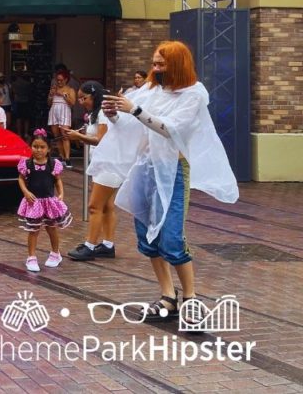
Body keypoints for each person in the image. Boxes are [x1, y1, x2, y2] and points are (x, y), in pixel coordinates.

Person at [96, 41, 239, 322]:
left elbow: (171, 129)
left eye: (161, 64)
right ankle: (167, 296)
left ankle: (191, 298)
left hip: (173, 168)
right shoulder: (151, 91)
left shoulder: (194, 95)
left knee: (172, 238)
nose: (156, 69)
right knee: (147, 237)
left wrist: (134, 109)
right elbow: (133, 127)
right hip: (145, 168)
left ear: (177, 64)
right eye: (154, 63)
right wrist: (115, 116)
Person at [62, 81, 120, 260]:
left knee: (94, 206)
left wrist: (78, 136)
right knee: (107, 206)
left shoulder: (103, 112)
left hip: (108, 165)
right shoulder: (98, 113)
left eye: (83, 98)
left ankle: (90, 245)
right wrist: (80, 135)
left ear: (94, 96)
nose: (81, 101)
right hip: (106, 164)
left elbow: (101, 140)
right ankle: (108, 245)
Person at [16, 129, 72, 271]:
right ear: (31, 147)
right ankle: (31, 257)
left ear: (48, 149)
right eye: (35, 146)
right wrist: (25, 191)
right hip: (34, 202)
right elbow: (21, 179)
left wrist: (61, 194)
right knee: (33, 230)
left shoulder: (53, 164)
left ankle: (55, 253)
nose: (38, 150)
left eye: (42, 147)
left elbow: (57, 180)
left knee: (51, 228)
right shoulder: (27, 164)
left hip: (48, 202)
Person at [47, 70, 76, 166]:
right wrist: (51, 95)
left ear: (66, 80)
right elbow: (49, 103)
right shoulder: (53, 88)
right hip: (54, 110)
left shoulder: (70, 90)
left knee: (65, 135)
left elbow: (72, 103)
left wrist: (63, 94)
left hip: (64, 111)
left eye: (61, 80)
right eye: (57, 80)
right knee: (57, 135)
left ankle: (67, 158)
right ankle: (61, 156)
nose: (59, 82)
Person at [10, 73, 32, 139]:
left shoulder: (14, 84)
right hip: (26, 101)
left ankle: (19, 134)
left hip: (17, 102)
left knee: (18, 119)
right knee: (26, 119)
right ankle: (25, 133)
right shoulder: (27, 83)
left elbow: (11, 93)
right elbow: (30, 92)